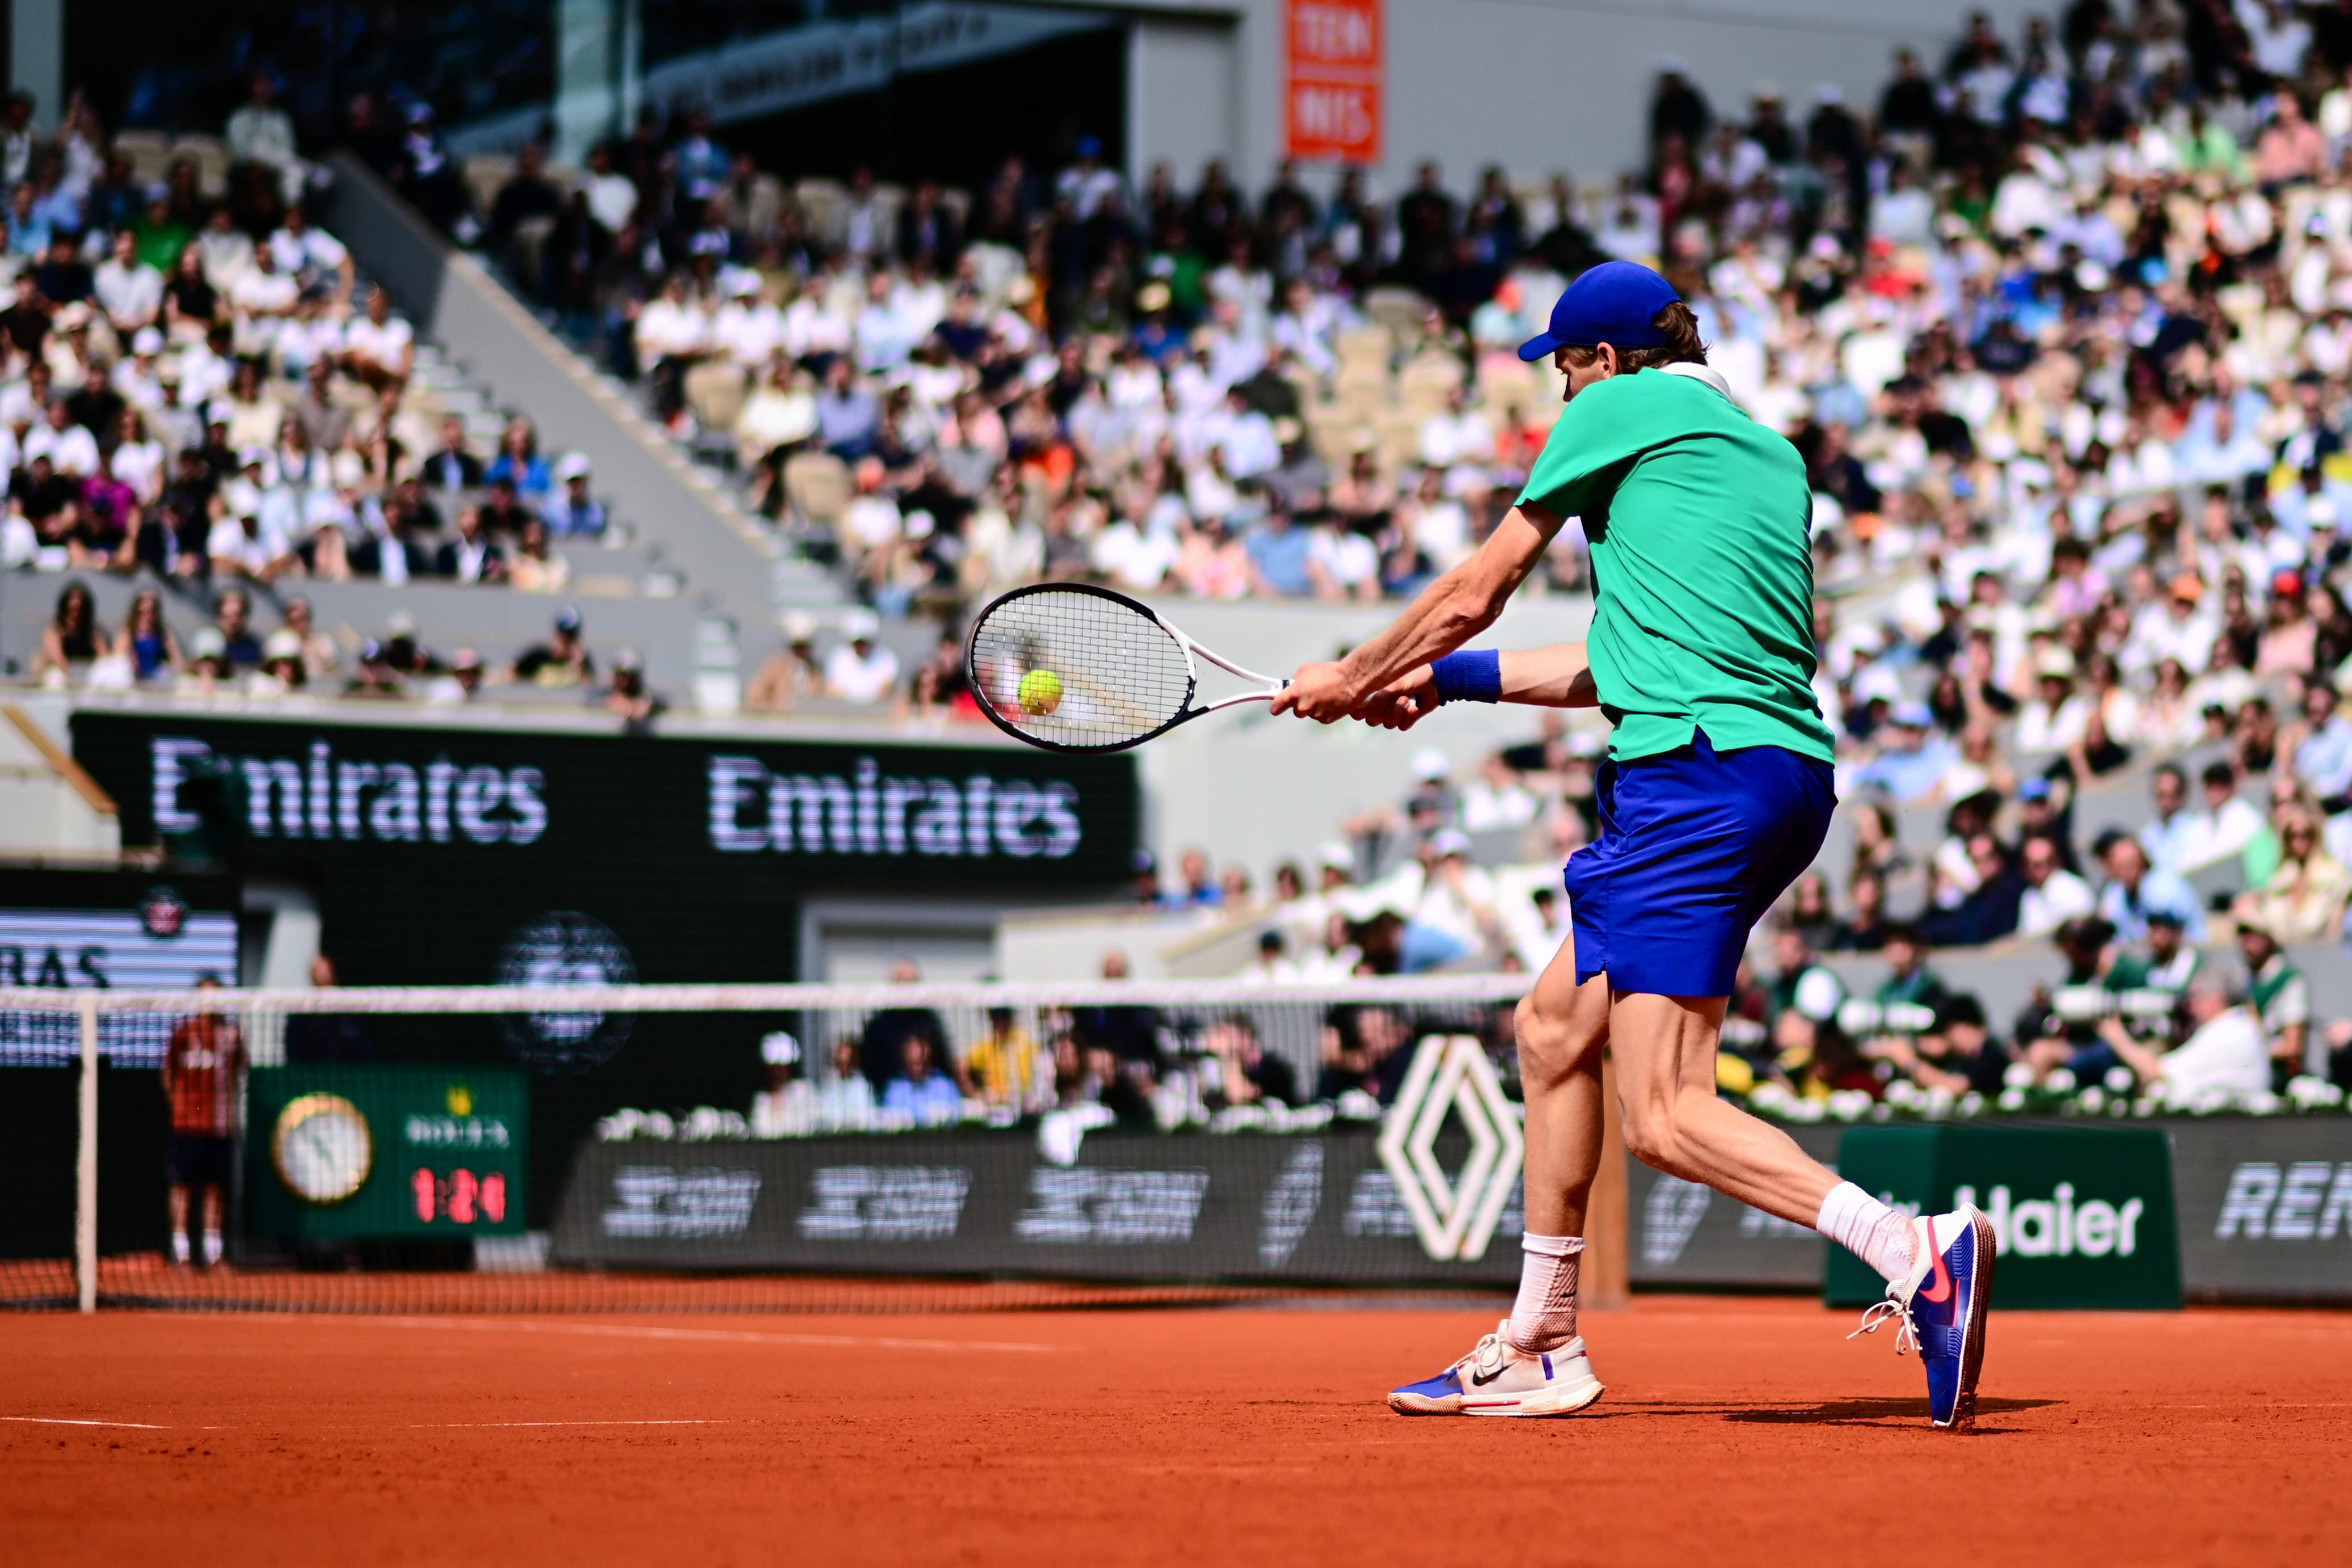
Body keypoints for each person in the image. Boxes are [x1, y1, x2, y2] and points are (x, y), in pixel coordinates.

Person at [1274, 261, 1991, 1427]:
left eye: (1565, 369)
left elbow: (1479, 584)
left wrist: (1352, 672)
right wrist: (1436, 685)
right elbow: (1622, 666)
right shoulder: (1762, 457)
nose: (1562, 399)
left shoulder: (1617, 408)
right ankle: (1542, 1337)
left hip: (1692, 781)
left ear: (1603, 360)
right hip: (1775, 775)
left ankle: (1913, 1248)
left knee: (1664, 1110)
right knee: (1555, 1026)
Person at [163, 975, 245, 1268]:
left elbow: (241, 1070)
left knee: (215, 1189)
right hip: (186, 1126)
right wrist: (181, 1107)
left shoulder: (231, 1035)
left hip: (219, 1126)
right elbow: (168, 1074)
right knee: (182, 1187)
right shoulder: (183, 1034)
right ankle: (181, 1252)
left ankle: (213, 1252)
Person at [750, 1031, 817, 1137]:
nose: (778, 1072)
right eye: (774, 1067)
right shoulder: (761, 1099)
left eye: (782, 1067)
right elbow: (758, 1131)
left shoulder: (804, 1092)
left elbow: (805, 1128)